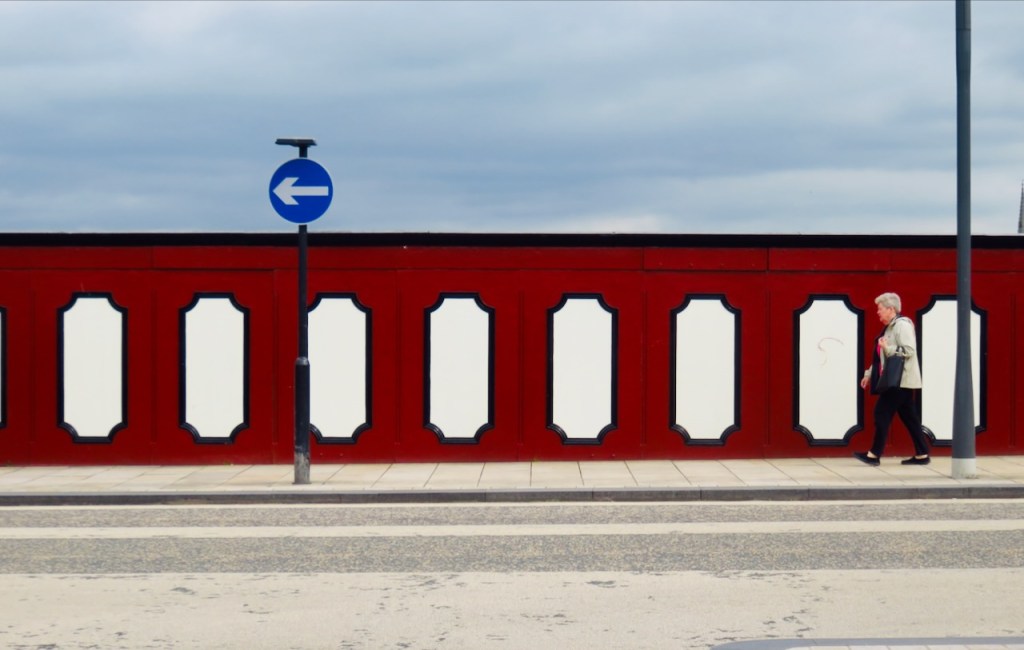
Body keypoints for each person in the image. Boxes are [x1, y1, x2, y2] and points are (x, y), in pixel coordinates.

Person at [854, 292, 931, 466]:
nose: (878, 313)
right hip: (898, 380)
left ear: (891, 309)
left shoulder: (901, 326)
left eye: (880, 309)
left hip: (899, 380)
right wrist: (868, 374)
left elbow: (909, 351)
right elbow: (882, 356)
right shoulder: (890, 327)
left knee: (881, 413)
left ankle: (874, 455)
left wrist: (888, 348)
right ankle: (922, 454)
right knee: (909, 417)